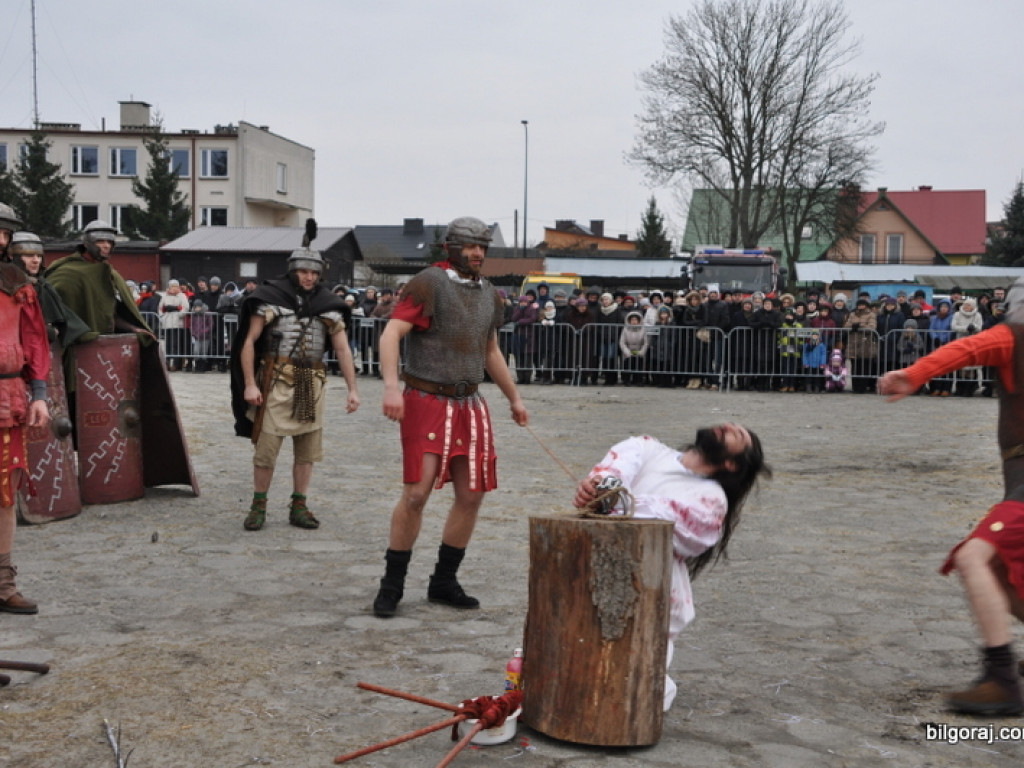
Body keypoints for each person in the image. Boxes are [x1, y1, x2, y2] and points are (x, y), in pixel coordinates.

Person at [878, 278, 1024, 715]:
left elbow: (965, 350)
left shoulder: (1015, 336)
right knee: (1002, 572)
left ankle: (1001, 680)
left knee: (974, 558)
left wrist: (913, 374)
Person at [372, 216, 528, 618]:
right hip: (426, 399)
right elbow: (391, 334)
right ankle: (392, 586)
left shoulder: (489, 293)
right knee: (417, 493)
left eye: (483, 248)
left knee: (471, 494)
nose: (478, 254)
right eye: (471, 247)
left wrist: (514, 398)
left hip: (469, 403)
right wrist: (391, 387)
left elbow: (490, 350)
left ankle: (444, 580)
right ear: (452, 248)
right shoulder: (429, 282)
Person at [572, 424, 770, 711]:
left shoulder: (712, 501)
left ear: (731, 463)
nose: (727, 426)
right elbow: (612, 473)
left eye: (737, 435)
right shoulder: (645, 447)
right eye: (730, 424)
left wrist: (607, 501)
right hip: (589, 575)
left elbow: (659, 514)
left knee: (628, 695)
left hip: (648, 597)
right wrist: (597, 488)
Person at [231, 231, 360, 531]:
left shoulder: (329, 305)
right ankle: (258, 506)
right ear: (293, 271)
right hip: (274, 380)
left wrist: (353, 389)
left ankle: (299, 506)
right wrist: (250, 383)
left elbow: (342, 348)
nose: (309, 277)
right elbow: (248, 342)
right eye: (304, 271)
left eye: (314, 272)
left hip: (308, 381)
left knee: (306, 450)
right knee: (266, 450)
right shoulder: (269, 298)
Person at [0, 203, 51, 613]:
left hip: (8, 399)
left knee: (4, 494)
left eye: (3, 233)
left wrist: (38, 394)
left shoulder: (17, 284)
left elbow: (35, 342)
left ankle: (2, 585)